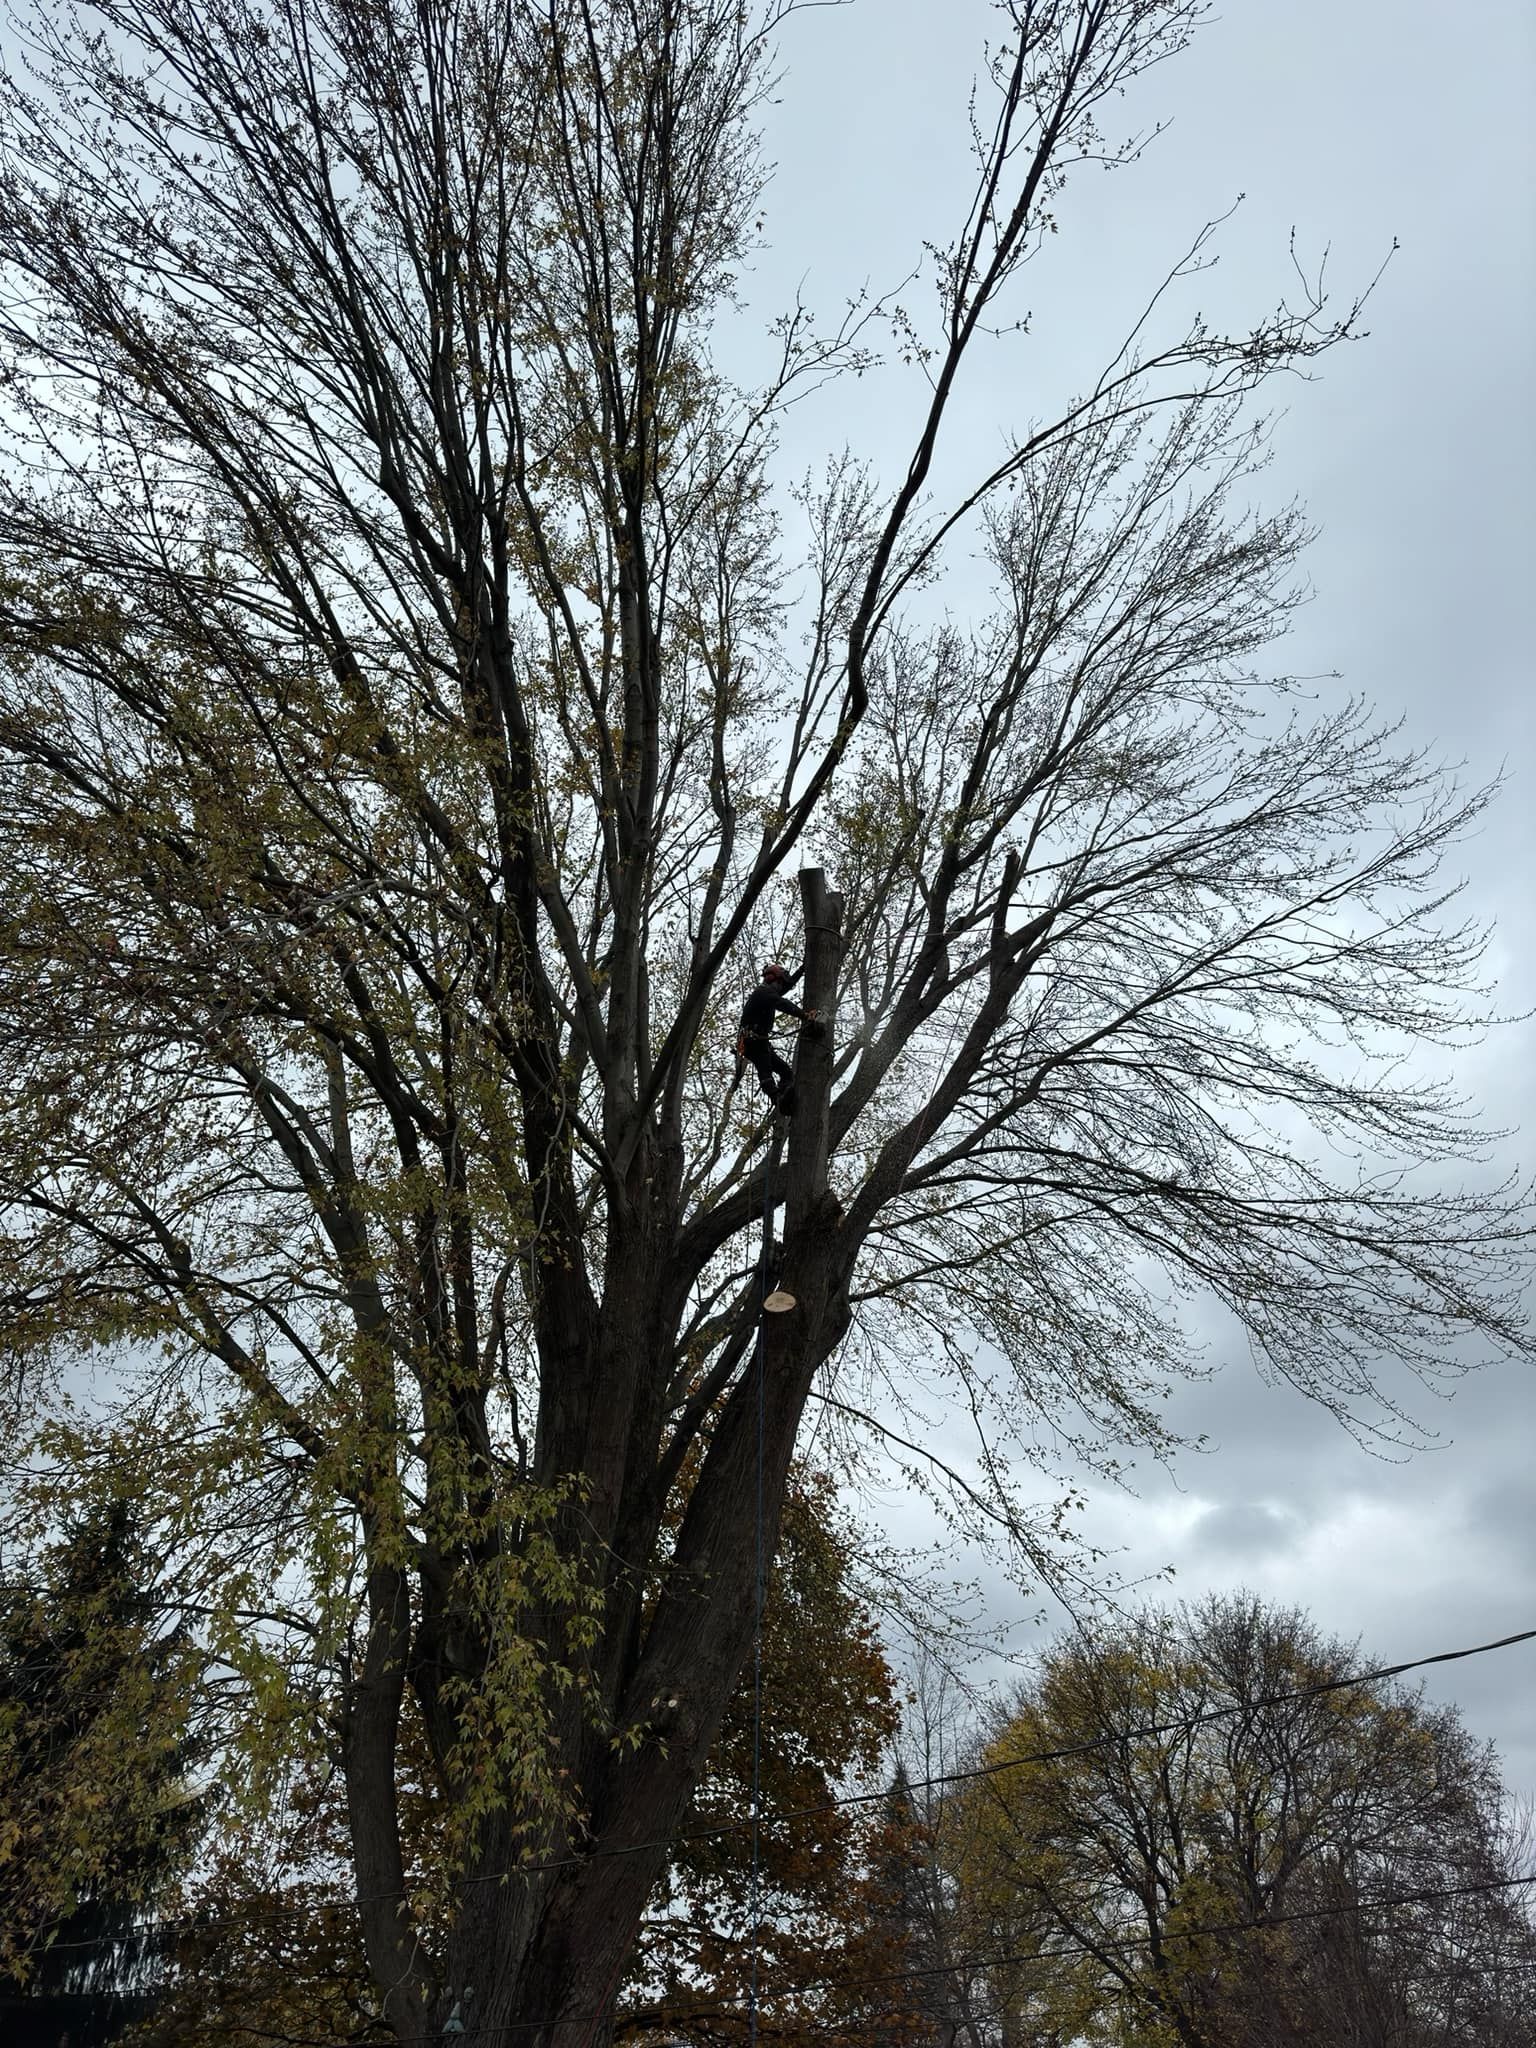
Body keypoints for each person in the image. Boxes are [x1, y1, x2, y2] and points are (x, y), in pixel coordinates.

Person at [735, 961, 815, 1116]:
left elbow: (788, 985)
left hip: (759, 1040)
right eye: (780, 983)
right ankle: (778, 1100)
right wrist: (804, 1015)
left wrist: (803, 968)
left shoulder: (770, 991)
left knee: (786, 1071)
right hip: (752, 1041)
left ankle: (785, 1097)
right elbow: (782, 1003)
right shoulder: (763, 993)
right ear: (773, 981)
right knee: (765, 1071)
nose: (781, 988)